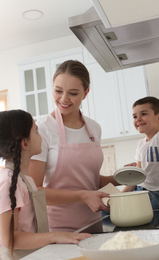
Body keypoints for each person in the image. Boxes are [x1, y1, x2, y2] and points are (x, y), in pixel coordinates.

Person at [0, 110, 91, 259]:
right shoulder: (9, 182)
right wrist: (55, 236)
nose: (40, 136)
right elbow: (10, 239)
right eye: (36, 131)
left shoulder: (23, 178)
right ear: (25, 142)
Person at [28, 60, 119, 232]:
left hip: (94, 223)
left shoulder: (94, 128)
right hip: (57, 229)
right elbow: (35, 191)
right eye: (58, 91)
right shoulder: (42, 129)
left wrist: (120, 177)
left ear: (86, 93)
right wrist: (83, 196)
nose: (63, 99)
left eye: (73, 93)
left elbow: (88, 180)